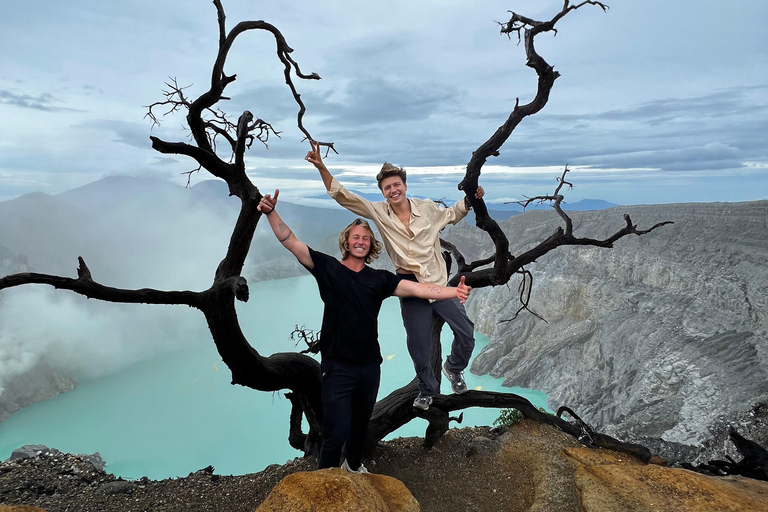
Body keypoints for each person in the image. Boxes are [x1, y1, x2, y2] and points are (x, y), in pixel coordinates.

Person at [257, 189, 471, 473]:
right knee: (335, 431)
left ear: (371, 247)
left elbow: (419, 288)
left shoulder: (380, 279)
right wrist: (271, 212)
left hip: (370, 366)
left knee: (359, 426)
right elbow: (291, 242)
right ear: (346, 241)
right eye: (356, 237)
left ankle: (354, 468)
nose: (360, 241)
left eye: (366, 239)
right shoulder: (328, 269)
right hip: (337, 366)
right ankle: (326, 481)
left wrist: (452, 292)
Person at [305, 141, 484, 411]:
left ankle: (453, 368)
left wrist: (471, 198)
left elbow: (452, 213)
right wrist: (322, 166)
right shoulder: (379, 212)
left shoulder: (427, 209)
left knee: (466, 333)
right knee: (418, 347)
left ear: (405, 185)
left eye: (396, 184)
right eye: (387, 187)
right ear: (383, 192)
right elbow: (343, 196)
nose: (393, 190)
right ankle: (426, 389)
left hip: (436, 283)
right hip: (410, 286)